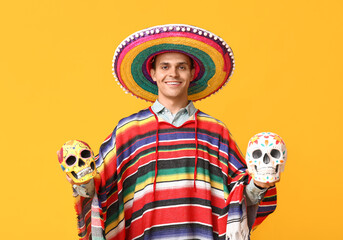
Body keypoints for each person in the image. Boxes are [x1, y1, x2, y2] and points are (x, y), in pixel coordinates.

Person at [67, 24, 278, 240]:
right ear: (153, 73)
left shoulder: (216, 132)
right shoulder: (128, 132)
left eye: (182, 67)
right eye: (165, 67)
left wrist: (260, 183)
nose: (173, 74)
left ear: (192, 73)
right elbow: (100, 191)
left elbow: (240, 195)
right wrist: (82, 180)